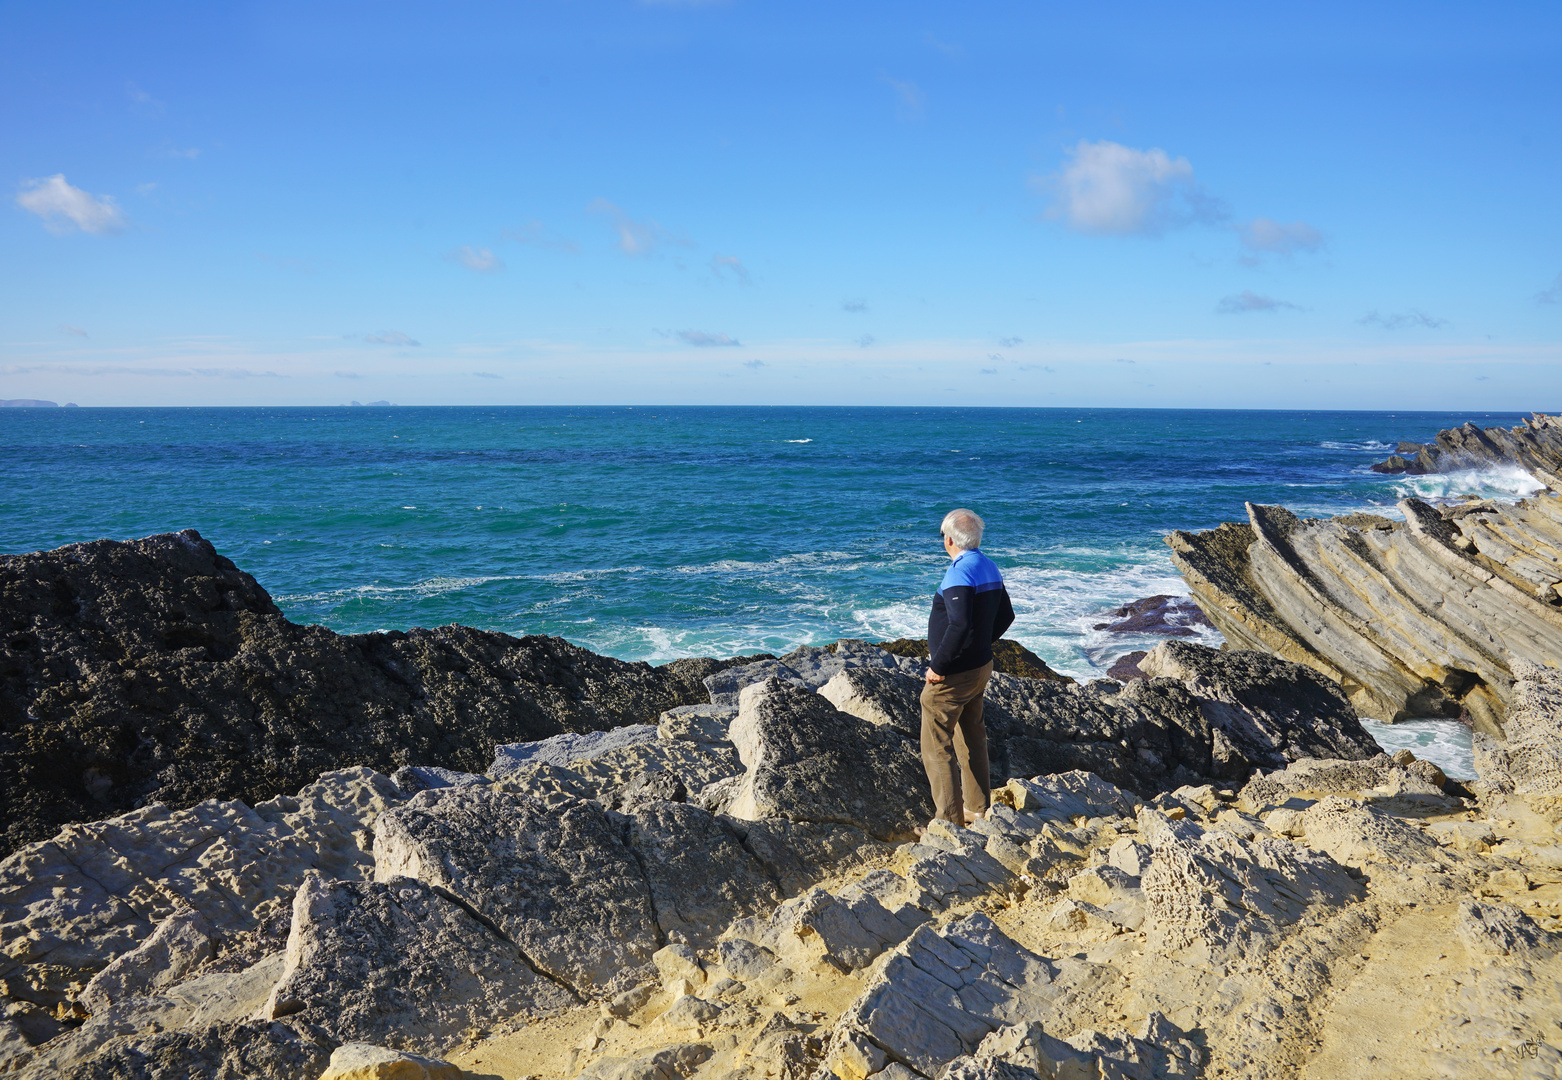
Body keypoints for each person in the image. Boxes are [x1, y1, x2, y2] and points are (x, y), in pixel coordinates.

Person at [920, 508, 1015, 827]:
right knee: (971, 734)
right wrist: (980, 645)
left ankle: (948, 820)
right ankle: (977, 808)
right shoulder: (988, 565)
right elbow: (1006, 617)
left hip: (955, 672)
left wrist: (938, 665)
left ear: (948, 540)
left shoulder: (959, 573)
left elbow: (958, 625)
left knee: (937, 742)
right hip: (980, 666)